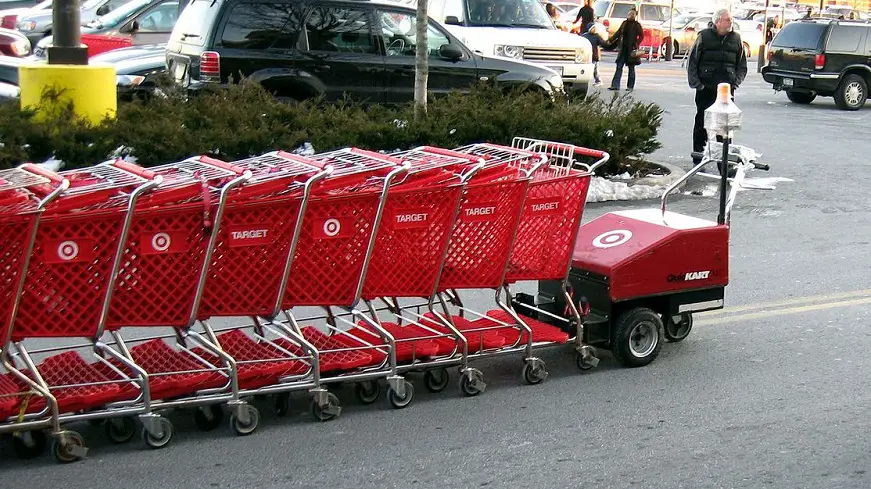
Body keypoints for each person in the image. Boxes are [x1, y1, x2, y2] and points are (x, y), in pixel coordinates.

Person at [687, 8, 748, 164]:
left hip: (726, 90)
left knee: (725, 126)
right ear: (718, 21)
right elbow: (692, 61)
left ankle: (725, 161)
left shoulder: (736, 39)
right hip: (706, 88)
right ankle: (698, 157)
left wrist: (736, 82)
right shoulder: (704, 37)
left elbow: (742, 64)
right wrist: (697, 84)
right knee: (701, 123)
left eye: (731, 20)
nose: (730, 22)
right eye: (727, 19)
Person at [606, 8, 644, 92]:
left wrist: (636, 43)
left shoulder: (637, 25)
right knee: (619, 66)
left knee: (631, 68)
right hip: (623, 49)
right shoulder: (624, 23)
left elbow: (641, 36)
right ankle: (615, 85)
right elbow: (618, 33)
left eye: (633, 14)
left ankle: (630, 86)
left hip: (631, 50)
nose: (631, 15)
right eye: (630, 14)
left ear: (635, 16)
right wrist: (610, 40)